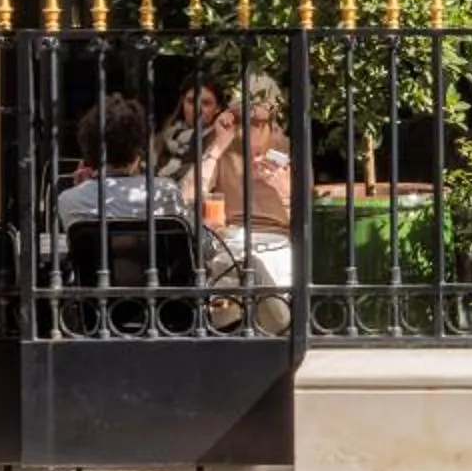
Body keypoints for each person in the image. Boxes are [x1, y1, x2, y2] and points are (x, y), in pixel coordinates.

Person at [193, 72, 294, 316]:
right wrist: (217, 147)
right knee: (225, 267)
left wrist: (284, 191)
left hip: (279, 240)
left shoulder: (290, 149)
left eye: (258, 121)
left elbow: (307, 219)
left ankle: (275, 329)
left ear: (273, 118)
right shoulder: (222, 142)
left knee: (270, 271)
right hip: (231, 239)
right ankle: (228, 326)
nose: (250, 128)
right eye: (241, 119)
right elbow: (189, 196)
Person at [54, 95, 187, 242]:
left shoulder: (68, 200)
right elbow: (200, 245)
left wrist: (83, 189)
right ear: (138, 150)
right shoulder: (165, 191)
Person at [152, 76, 220, 190]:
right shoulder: (164, 136)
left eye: (206, 103)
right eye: (191, 101)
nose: (197, 108)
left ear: (218, 108)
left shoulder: (218, 140)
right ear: (182, 102)